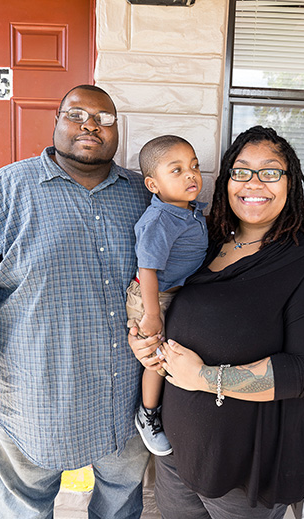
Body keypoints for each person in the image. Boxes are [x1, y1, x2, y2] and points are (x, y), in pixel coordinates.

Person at [129, 125, 304, 519]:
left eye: (270, 172)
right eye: (241, 171)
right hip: (177, 454)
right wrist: (144, 343)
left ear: (290, 182)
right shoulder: (204, 242)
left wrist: (206, 378)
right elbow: (165, 301)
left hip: (249, 471)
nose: (254, 183)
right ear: (228, 179)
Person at [0, 84, 152, 519]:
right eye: (77, 114)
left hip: (124, 392)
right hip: (36, 392)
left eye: (104, 118)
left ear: (116, 130)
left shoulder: (143, 195)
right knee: (25, 504)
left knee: (121, 499)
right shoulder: (6, 190)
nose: (90, 125)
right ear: (56, 122)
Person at [126, 135, 208, 457]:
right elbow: (147, 268)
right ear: (153, 184)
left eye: (194, 166)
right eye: (176, 170)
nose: (191, 175)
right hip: (151, 298)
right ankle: (147, 414)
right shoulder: (160, 219)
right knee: (157, 360)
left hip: (170, 296)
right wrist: (151, 313)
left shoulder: (188, 211)